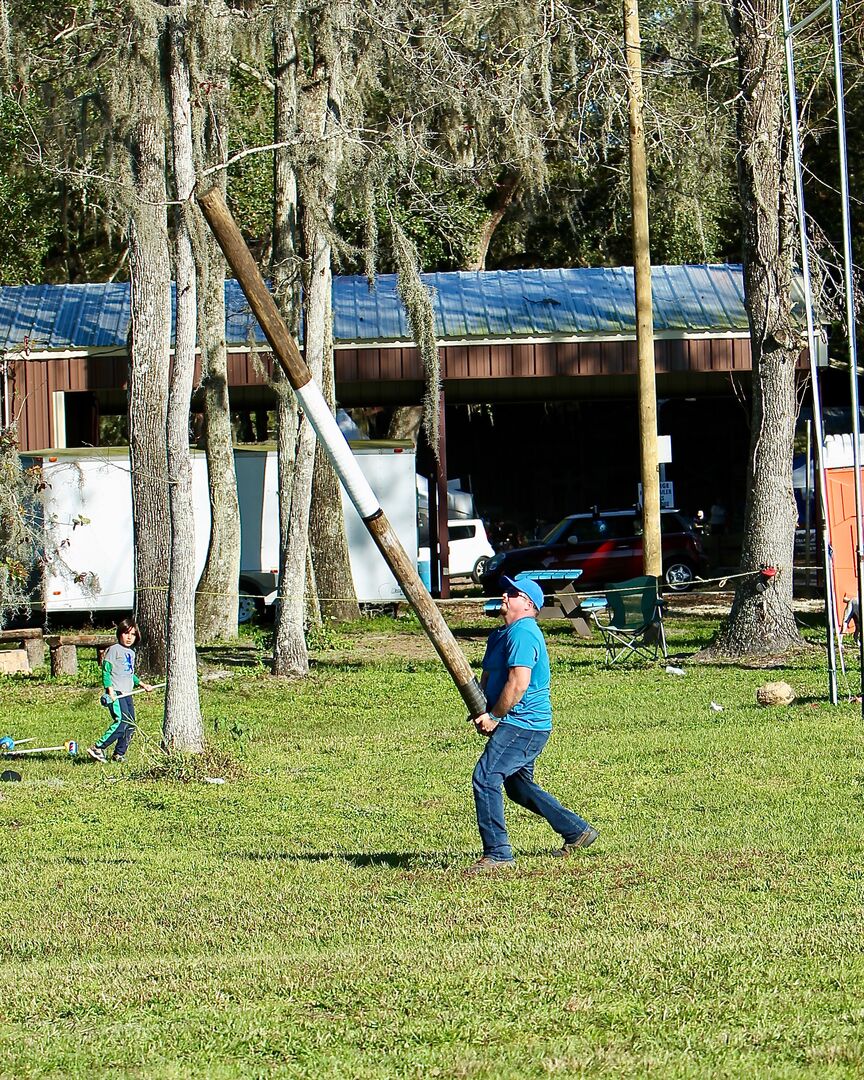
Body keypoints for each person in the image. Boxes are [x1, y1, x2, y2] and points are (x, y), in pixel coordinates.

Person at [467, 575, 598, 874]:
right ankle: (577, 831)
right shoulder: (500, 635)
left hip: (525, 724)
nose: (505, 594)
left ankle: (498, 854)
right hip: (514, 721)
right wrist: (482, 710)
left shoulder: (524, 632)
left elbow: (519, 682)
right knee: (517, 786)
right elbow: (489, 677)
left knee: (485, 778)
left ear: (528, 604)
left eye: (512, 592)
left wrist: (496, 716)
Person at [86, 616, 153, 763]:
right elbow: (106, 671)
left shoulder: (131, 653)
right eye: (126, 633)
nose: (129, 637)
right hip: (116, 692)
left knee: (131, 724)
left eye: (133, 634)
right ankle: (98, 747)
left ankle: (119, 753)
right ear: (119, 634)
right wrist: (110, 691)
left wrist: (142, 684)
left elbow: (129, 674)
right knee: (122, 721)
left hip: (127, 693)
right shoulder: (114, 650)